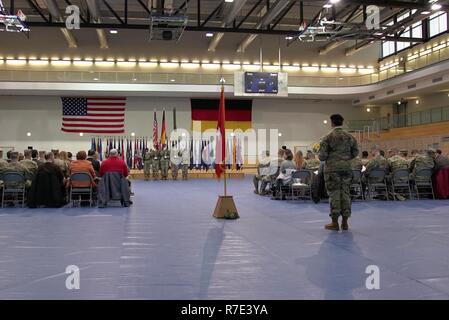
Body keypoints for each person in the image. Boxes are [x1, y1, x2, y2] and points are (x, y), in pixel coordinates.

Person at [319, 114, 358, 231]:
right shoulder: (350, 137)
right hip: (347, 168)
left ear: (332, 123)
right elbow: (355, 152)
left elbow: (322, 156)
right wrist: (345, 158)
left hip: (332, 170)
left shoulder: (327, 137)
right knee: (345, 193)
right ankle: (345, 222)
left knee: (334, 194)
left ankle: (334, 222)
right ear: (342, 122)